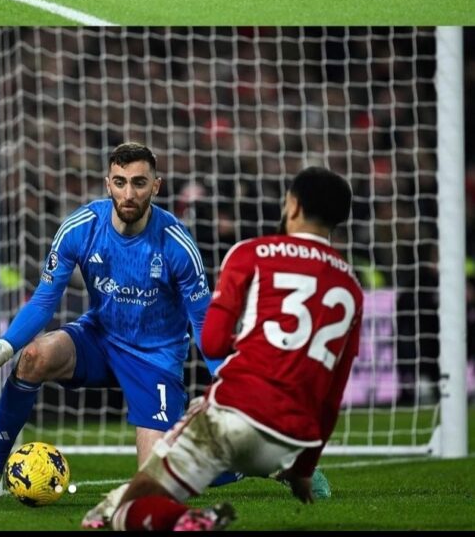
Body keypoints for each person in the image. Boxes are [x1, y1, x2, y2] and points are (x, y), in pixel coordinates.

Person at [83, 166, 362, 532]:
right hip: (288, 442)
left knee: (109, 515)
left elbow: (212, 341)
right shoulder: (351, 287)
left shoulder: (252, 253)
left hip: (232, 413)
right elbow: (331, 398)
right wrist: (305, 469)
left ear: (292, 206)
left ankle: (189, 520)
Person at [0, 143, 216, 498]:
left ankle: (257, 464)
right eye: (120, 182)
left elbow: (204, 323)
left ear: (156, 186)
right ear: (108, 184)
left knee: (157, 482)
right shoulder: (82, 227)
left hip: (156, 357)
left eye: (138, 183)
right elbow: (43, 302)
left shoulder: (176, 242)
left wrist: (228, 380)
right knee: (34, 357)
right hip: (100, 338)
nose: (128, 193)